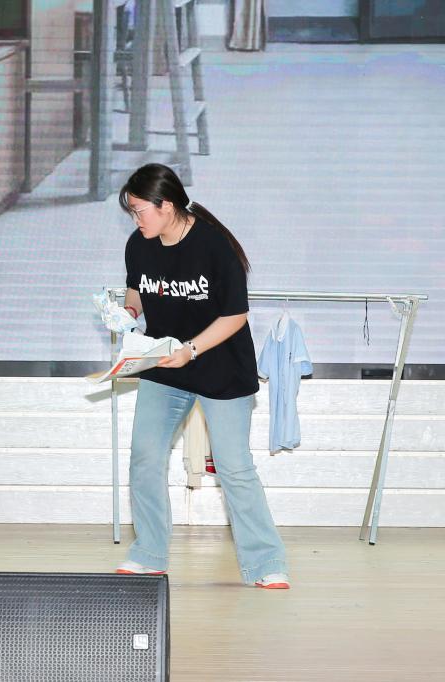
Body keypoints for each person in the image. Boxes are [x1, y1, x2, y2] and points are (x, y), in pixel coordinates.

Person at [117, 163, 290, 589]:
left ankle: (266, 563)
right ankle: (149, 554)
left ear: (166, 205)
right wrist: (128, 312)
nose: (136, 220)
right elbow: (137, 288)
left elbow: (235, 316)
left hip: (220, 369)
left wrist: (191, 350)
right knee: (144, 458)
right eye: (132, 212)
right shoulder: (139, 245)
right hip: (164, 367)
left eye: (140, 210)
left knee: (234, 466)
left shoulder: (214, 246)